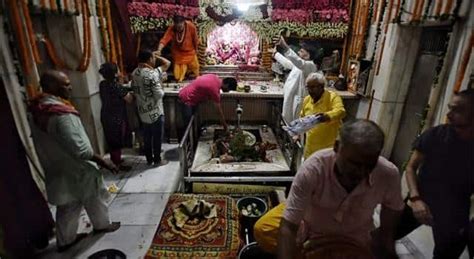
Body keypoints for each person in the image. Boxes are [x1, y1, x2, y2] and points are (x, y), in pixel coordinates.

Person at [254, 119, 404, 258]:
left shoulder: (388, 174)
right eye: (353, 164)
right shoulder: (313, 169)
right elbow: (288, 227)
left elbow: (387, 232)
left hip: (353, 239)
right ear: (337, 147)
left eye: (369, 166)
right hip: (311, 231)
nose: (361, 172)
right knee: (265, 230)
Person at [29, 70, 120, 252]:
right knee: (94, 197)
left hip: (55, 165)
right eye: (66, 85)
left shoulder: (37, 108)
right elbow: (82, 150)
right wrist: (103, 161)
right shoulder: (62, 115)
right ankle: (102, 225)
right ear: (51, 87)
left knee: (68, 204)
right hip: (77, 168)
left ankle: (66, 241)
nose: (70, 88)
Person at [395, 88, 474, 258]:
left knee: (448, 252)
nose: (450, 114)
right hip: (420, 200)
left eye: (458, 110)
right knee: (383, 236)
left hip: (455, 210)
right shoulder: (436, 134)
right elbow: (410, 167)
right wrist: (415, 199)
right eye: (450, 108)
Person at [131, 50, 170, 166]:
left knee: (147, 136)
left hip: (143, 111)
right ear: (149, 59)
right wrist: (161, 82)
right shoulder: (151, 74)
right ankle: (157, 159)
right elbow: (159, 94)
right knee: (157, 137)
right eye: (153, 58)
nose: (154, 60)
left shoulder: (135, 72)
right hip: (155, 111)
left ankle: (149, 159)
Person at [297, 73, 346, 159]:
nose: (310, 91)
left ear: (321, 86)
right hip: (310, 147)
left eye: (312, 87)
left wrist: (327, 116)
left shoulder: (332, 97)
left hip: (328, 149)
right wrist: (297, 132)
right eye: (308, 87)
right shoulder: (307, 99)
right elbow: (303, 117)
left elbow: (341, 111)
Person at [273, 36, 318, 123]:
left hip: (297, 101)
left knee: (295, 124)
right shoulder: (300, 65)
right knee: (287, 121)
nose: (298, 52)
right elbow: (288, 64)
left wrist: (285, 46)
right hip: (291, 97)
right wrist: (276, 54)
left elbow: (298, 62)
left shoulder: (310, 66)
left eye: (301, 51)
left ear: (308, 55)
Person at [98, 62, 133, 170]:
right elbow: (129, 99)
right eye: (117, 70)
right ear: (114, 74)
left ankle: (115, 159)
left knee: (111, 138)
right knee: (116, 139)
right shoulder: (116, 86)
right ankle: (117, 163)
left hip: (106, 114)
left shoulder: (102, 84)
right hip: (116, 116)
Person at [156, 15, 199, 82]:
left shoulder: (191, 26)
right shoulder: (172, 28)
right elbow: (164, 40)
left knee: (195, 71)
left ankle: (188, 72)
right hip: (178, 54)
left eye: (180, 26)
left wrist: (196, 50)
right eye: (177, 26)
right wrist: (159, 50)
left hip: (190, 52)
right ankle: (184, 74)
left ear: (184, 22)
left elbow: (195, 39)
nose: (179, 28)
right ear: (174, 24)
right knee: (177, 76)